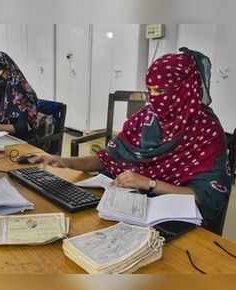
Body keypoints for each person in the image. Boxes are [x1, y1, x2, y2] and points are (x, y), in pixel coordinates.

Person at [32, 48, 231, 232]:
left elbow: (207, 197)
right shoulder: (147, 117)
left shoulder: (207, 131)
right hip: (127, 208)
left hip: (173, 223)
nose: (154, 98)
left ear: (185, 89)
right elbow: (107, 157)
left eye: (161, 91)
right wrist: (65, 161)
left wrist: (150, 183)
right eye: (150, 90)